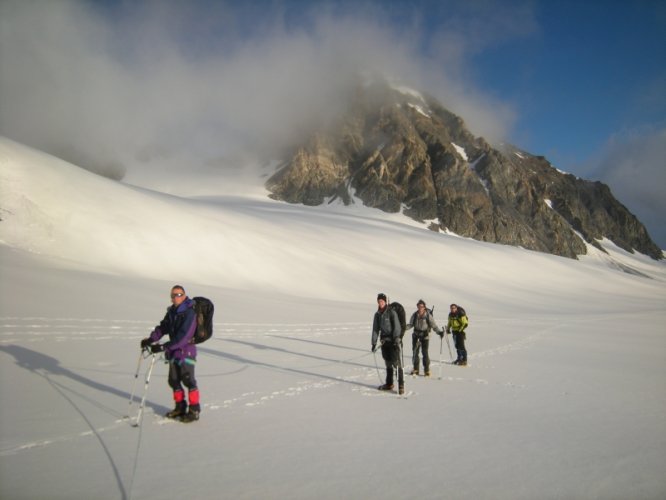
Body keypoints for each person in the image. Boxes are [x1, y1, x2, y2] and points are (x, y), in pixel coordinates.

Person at [140, 285, 201, 422]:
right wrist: (151, 339)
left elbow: (184, 336)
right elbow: (163, 327)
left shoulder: (190, 313)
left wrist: (163, 346)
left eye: (179, 294)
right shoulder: (172, 312)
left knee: (188, 380)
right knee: (173, 380)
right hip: (173, 352)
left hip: (187, 352)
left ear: (184, 296)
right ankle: (180, 407)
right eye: (173, 295)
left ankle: (194, 410)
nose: (176, 297)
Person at [371, 293, 404, 394]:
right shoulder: (377, 315)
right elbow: (375, 329)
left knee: (396, 363)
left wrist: (396, 339)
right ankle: (389, 384)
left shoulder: (391, 312)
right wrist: (373, 343)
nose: (380, 303)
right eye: (379, 301)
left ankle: (401, 385)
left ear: (385, 302)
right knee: (387, 362)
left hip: (393, 341)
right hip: (384, 342)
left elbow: (397, 327)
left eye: (382, 301)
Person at [406, 299, 442, 376]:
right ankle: (416, 369)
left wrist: (439, 332)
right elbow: (411, 324)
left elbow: (433, 325)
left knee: (425, 353)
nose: (420, 308)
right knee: (415, 353)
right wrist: (403, 328)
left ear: (424, 307)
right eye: (418, 306)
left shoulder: (428, 315)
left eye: (421, 306)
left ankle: (427, 370)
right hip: (416, 336)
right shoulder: (415, 315)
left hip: (425, 336)